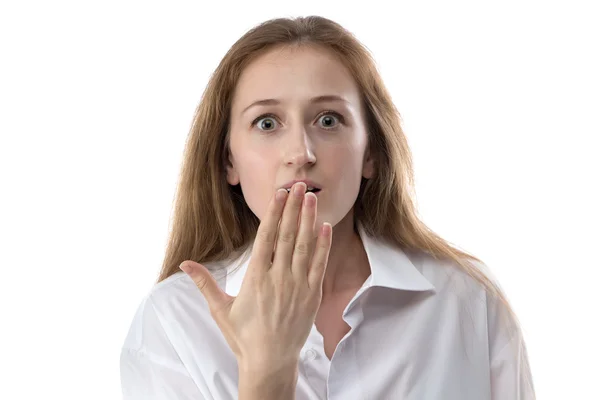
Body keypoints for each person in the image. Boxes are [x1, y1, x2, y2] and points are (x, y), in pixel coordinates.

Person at [119, 15, 535, 400]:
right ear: (229, 161)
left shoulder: (466, 299)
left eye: (328, 120)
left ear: (370, 151)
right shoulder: (172, 322)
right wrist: (268, 371)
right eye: (267, 123)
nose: (300, 152)